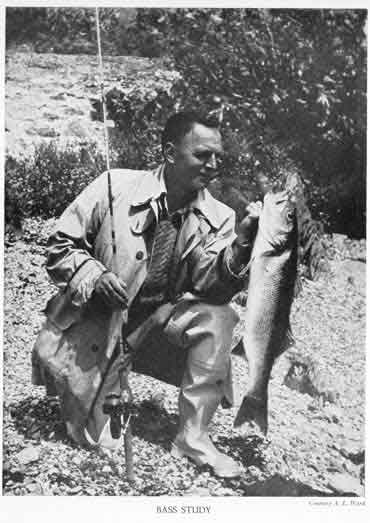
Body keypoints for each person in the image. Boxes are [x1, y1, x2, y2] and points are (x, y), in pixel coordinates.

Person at [32, 111, 260, 478]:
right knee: (100, 443)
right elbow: (59, 246)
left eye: (219, 156)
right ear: (170, 153)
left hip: (157, 331)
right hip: (97, 331)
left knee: (219, 316)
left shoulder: (220, 216)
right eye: (203, 155)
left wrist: (243, 246)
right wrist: (95, 275)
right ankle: (83, 388)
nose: (214, 165)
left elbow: (210, 287)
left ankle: (193, 437)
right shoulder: (114, 185)